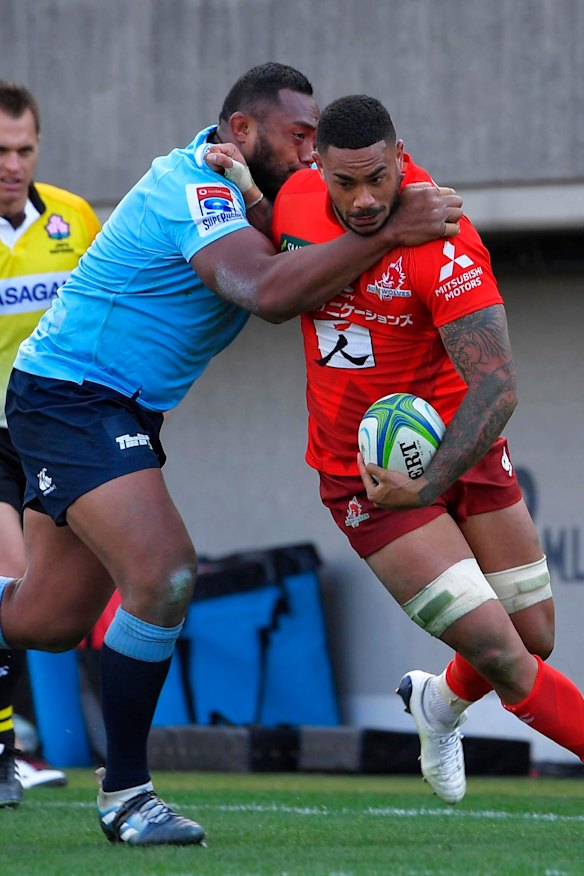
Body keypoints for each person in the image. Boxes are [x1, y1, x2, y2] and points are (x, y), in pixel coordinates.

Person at [0, 64, 463, 845]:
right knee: (165, 572)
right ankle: (126, 797)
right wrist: (389, 229)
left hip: (110, 406)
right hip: (71, 396)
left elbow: (296, 262)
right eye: (301, 138)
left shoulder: (247, 187)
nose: (315, 155)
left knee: (47, 617)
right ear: (242, 132)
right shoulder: (196, 186)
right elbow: (269, 291)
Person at [265, 94, 584, 804]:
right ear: (318, 167)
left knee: (533, 635)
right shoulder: (290, 203)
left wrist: (430, 481)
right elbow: (270, 263)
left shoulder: (444, 237)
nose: (364, 199)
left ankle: (436, 705)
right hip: (365, 478)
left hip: (458, 446)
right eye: (344, 183)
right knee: (501, 653)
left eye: (378, 178)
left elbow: (498, 385)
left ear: (400, 156)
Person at [0, 81, 101, 807]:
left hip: (50, 437)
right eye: (0, 150)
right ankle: (11, 749)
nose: (11, 163)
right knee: (11, 581)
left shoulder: (72, 219)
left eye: (23, 149)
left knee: (43, 602)